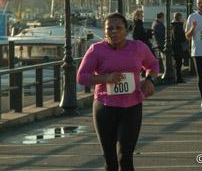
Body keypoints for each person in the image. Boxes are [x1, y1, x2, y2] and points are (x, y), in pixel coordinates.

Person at [77, 12, 159, 171]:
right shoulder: (96, 50)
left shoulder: (138, 47)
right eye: (109, 28)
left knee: (125, 157)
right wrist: (106, 78)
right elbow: (82, 77)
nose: (113, 32)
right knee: (110, 160)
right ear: (104, 31)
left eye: (118, 28)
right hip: (105, 107)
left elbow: (153, 64)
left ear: (126, 31)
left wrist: (150, 80)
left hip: (131, 107)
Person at [171, 12, 187, 83]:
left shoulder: (174, 26)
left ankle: (178, 77)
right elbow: (177, 37)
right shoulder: (177, 26)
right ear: (179, 18)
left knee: (178, 63)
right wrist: (184, 38)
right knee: (178, 63)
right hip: (178, 48)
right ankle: (178, 78)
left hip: (176, 47)